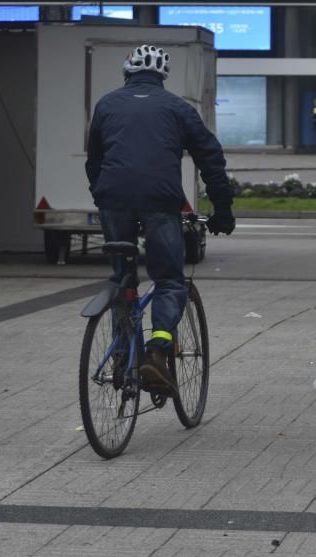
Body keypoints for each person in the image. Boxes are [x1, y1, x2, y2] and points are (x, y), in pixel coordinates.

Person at [85, 44, 235, 393]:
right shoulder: (177, 107)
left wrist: (103, 196)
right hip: (159, 202)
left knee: (123, 278)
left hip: (114, 200)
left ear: (128, 71)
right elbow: (210, 157)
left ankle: (123, 353)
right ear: (162, 76)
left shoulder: (106, 104)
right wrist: (223, 210)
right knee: (168, 280)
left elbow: (95, 161)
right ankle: (157, 349)